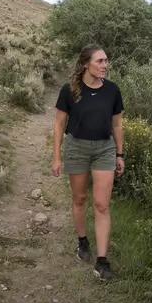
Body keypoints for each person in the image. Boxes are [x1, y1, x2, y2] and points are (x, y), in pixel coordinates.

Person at [51, 43, 125, 281]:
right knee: (79, 198)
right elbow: (59, 125)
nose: (105, 65)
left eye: (106, 61)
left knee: (102, 205)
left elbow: (117, 125)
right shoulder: (69, 90)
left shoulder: (112, 90)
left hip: (104, 149)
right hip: (77, 148)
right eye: (100, 61)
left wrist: (120, 154)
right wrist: (56, 157)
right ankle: (82, 240)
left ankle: (102, 262)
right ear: (86, 64)